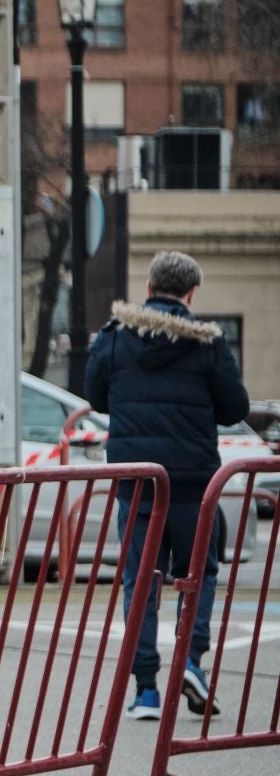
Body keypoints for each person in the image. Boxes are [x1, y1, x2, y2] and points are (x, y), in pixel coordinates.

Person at [88, 249, 250, 722]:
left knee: (140, 583)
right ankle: (192, 663)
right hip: (193, 481)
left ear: (148, 289)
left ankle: (146, 692)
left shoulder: (114, 338)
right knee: (199, 573)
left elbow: (96, 395)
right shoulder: (208, 344)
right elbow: (234, 407)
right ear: (191, 294)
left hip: (136, 481)